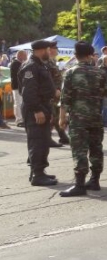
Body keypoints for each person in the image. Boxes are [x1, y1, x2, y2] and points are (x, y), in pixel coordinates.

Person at [58, 42, 107, 197]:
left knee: (79, 150)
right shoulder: (100, 73)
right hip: (95, 116)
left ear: (75, 55)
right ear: (91, 55)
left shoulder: (71, 72)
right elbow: (106, 93)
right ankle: (95, 180)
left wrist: (62, 118)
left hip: (78, 118)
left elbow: (65, 97)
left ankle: (80, 184)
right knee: (96, 148)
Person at [19, 40, 58, 186]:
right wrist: (37, 110)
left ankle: (39, 171)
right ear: (42, 50)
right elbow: (29, 92)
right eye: (48, 49)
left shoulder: (40, 64)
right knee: (37, 141)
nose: (50, 52)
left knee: (42, 140)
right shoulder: (31, 66)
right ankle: (37, 174)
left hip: (43, 106)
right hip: (36, 109)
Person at [46, 43, 69, 146]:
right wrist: (54, 90)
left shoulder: (52, 61)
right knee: (52, 116)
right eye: (55, 48)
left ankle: (63, 136)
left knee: (55, 115)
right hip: (51, 93)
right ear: (50, 50)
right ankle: (47, 138)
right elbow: (48, 79)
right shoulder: (46, 62)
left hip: (56, 92)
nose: (57, 50)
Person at [10, 50, 27, 127]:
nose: (26, 57)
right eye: (25, 56)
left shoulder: (18, 63)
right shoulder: (15, 64)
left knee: (21, 103)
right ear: (21, 56)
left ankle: (22, 119)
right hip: (17, 87)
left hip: (20, 86)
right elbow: (19, 76)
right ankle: (19, 120)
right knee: (18, 103)